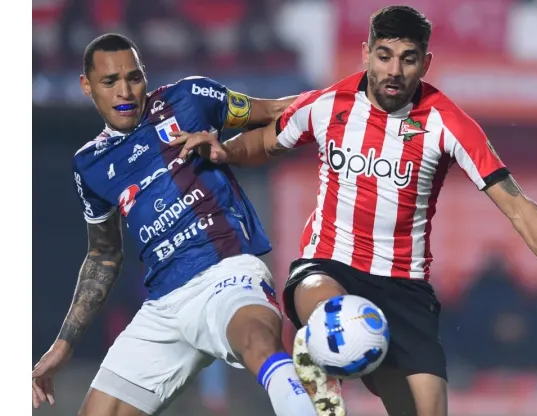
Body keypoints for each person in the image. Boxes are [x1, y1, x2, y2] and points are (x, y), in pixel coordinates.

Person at [170, 6, 537, 416]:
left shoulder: (447, 122)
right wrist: (224, 153)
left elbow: (515, 204)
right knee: (329, 304)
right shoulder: (330, 104)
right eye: (384, 56)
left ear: (424, 63)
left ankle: (338, 356)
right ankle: (316, 356)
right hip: (328, 265)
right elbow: (267, 142)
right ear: (366, 53)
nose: (394, 70)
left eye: (408, 59)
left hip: (404, 287)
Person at [30, 33, 327, 416]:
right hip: (164, 308)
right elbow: (104, 255)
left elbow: (276, 111)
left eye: (134, 78)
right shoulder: (89, 165)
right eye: (110, 81)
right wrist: (63, 346)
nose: (125, 91)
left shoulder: (188, 100)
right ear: (86, 86)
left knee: (257, 340)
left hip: (226, 273)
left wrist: (347, 97)